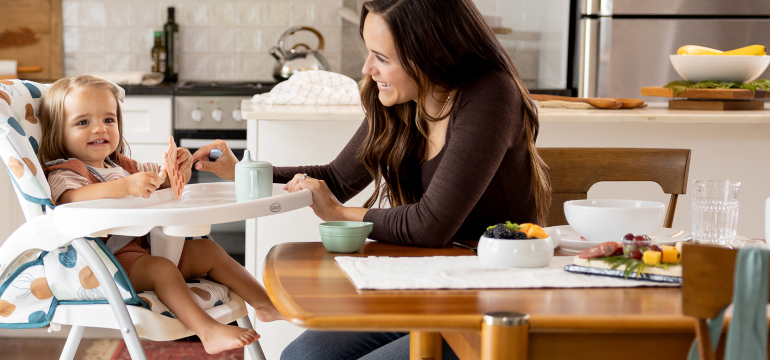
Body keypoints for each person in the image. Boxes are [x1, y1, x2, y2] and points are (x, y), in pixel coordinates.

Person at [190, 0, 552, 357]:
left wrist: (337, 213)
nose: (367, 69)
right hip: (428, 285)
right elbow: (336, 177)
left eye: (382, 58)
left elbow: (432, 224)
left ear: (430, 53)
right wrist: (244, 170)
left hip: (494, 302)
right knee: (302, 356)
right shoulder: (404, 100)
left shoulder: (490, 94)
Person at [38, 75, 284, 354]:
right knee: (162, 270)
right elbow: (71, 200)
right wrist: (125, 187)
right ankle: (208, 331)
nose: (99, 129)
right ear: (58, 132)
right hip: (106, 263)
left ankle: (266, 305)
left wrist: (178, 170)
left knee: (208, 250)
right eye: (83, 122)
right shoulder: (65, 172)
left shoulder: (121, 164)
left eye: (109, 120)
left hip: (145, 246)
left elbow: (162, 181)